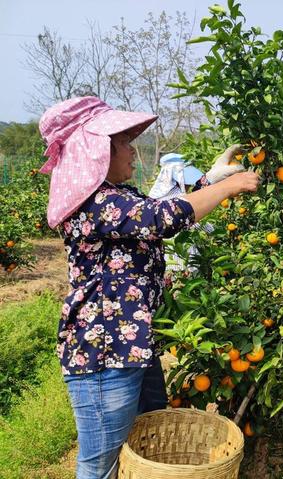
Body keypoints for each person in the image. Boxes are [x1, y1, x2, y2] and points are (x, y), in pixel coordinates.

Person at [38, 96, 260, 479]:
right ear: (97, 153)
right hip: (104, 354)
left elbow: (159, 208)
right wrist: (230, 187)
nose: (132, 150)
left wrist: (210, 180)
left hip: (131, 347)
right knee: (100, 462)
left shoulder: (117, 198)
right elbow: (160, 218)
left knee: (146, 439)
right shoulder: (94, 204)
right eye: (123, 142)